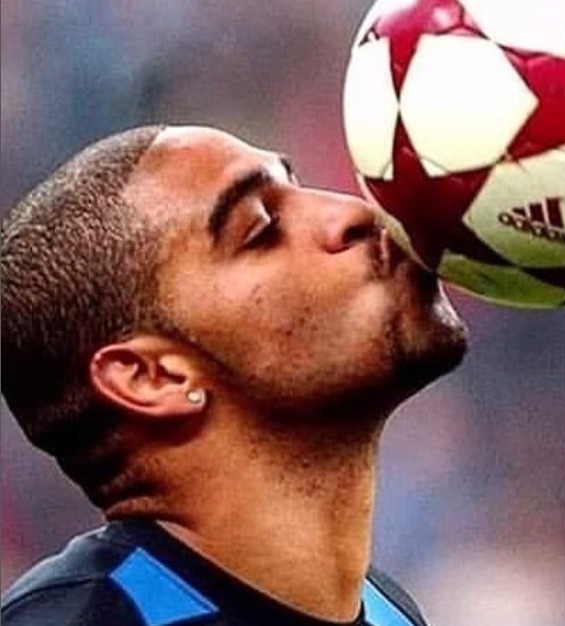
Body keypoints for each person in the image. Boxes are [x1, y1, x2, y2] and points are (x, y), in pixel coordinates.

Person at [0, 125, 469, 626]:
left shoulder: (390, 611)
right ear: (153, 378)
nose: (355, 212)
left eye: (297, 184)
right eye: (262, 228)